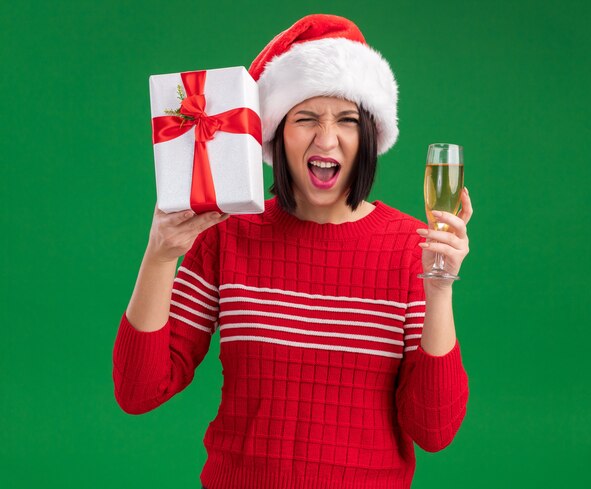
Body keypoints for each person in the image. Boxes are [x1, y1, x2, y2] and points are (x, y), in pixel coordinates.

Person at [113, 13, 473, 489]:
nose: (326, 139)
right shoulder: (228, 232)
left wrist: (439, 288)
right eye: (306, 119)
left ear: (369, 137)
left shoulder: (412, 248)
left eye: (347, 120)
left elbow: (434, 431)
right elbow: (139, 391)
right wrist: (159, 256)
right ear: (277, 133)